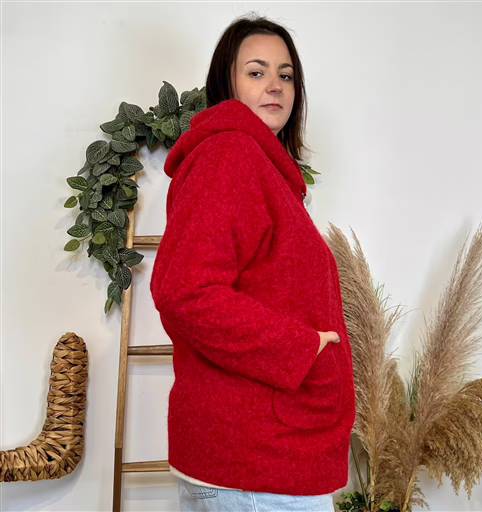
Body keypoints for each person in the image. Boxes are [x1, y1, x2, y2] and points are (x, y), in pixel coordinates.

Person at [150, 13, 356, 512]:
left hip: (264, 459)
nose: (275, 86)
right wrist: (301, 348)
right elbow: (185, 291)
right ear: (227, 83)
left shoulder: (261, 168)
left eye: (286, 75)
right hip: (255, 465)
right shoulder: (230, 155)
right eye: (257, 72)